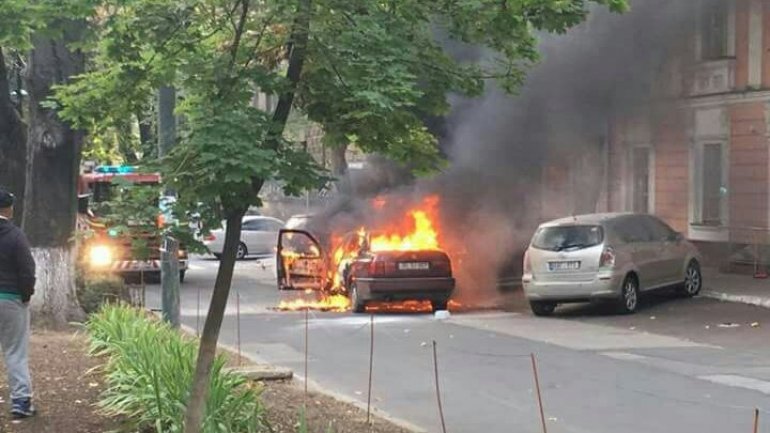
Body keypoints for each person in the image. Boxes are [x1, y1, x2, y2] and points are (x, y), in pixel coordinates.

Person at [0, 187, 36, 418]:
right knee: (15, 352)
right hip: (11, 300)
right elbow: (27, 270)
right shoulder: (15, 235)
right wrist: (25, 295)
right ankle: (20, 402)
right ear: (9, 209)